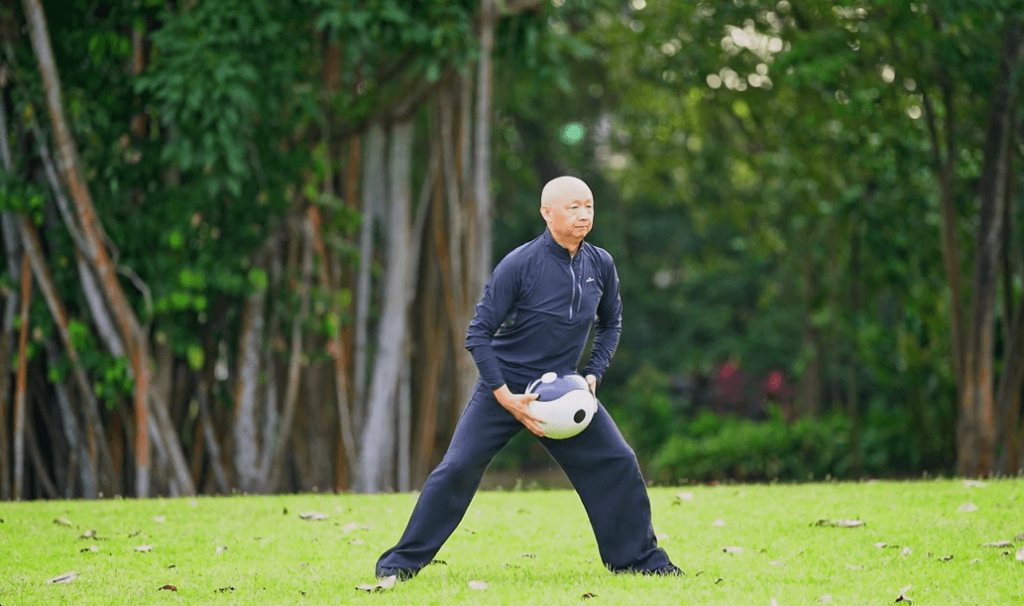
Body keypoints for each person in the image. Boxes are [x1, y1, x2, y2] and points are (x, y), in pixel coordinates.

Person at [374, 175, 681, 579]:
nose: (583, 215)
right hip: (505, 388)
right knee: (457, 468)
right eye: (573, 207)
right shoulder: (520, 264)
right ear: (546, 212)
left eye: (588, 206)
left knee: (618, 461)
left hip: (563, 393)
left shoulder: (601, 263)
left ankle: (639, 562)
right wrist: (503, 394)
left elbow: (612, 324)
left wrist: (592, 374)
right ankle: (398, 565)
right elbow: (477, 334)